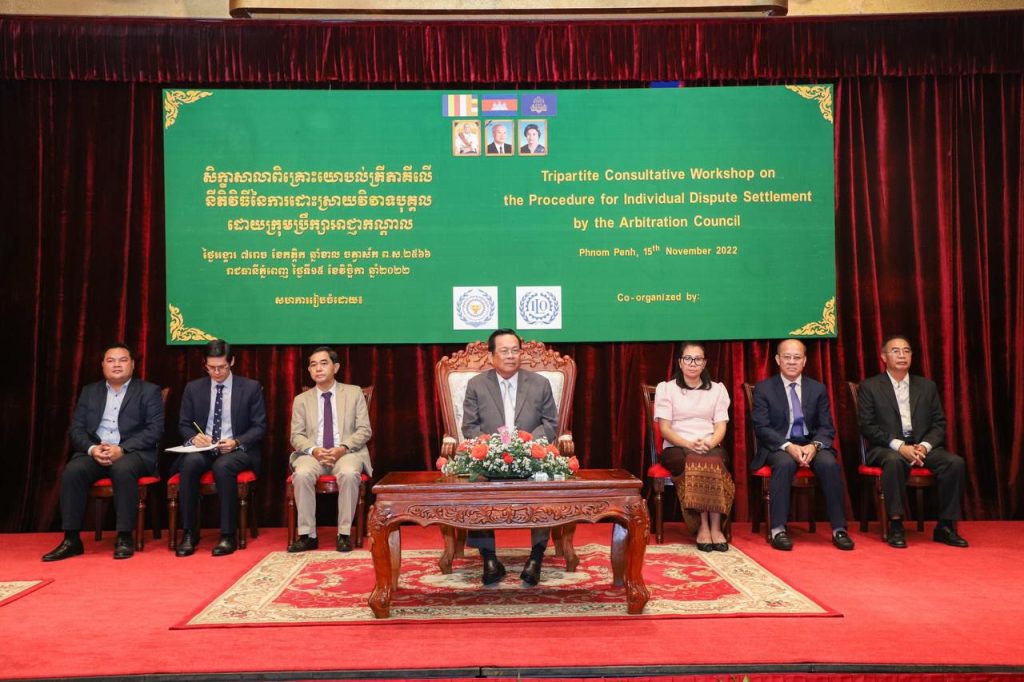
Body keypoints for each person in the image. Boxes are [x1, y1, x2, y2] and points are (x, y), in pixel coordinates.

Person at [42, 344, 165, 561]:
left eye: (123, 360)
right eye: (111, 360)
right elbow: (76, 429)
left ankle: (124, 536)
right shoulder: (89, 391)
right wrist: (92, 449)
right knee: (73, 470)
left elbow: (155, 430)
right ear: (102, 365)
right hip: (97, 451)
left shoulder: (149, 391)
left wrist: (122, 449)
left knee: (123, 467)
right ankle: (71, 540)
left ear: (133, 365)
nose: (117, 365)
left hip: (134, 453)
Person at [461, 328, 558, 586]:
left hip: (530, 456)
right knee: (476, 484)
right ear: (491, 356)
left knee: (543, 487)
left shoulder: (539, 384)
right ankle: (489, 558)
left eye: (515, 350)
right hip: (491, 458)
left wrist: (526, 444)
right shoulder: (476, 385)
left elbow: (550, 424)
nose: (511, 356)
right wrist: (494, 447)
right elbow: (469, 427)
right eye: (504, 351)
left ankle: (536, 557)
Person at [858, 334, 968, 548]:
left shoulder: (927, 386)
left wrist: (925, 446)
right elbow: (868, 427)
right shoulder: (870, 387)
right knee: (894, 461)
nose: (902, 355)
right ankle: (896, 524)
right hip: (886, 446)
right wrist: (900, 446)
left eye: (906, 351)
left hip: (922, 446)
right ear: (883, 357)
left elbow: (939, 423)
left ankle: (945, 526)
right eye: (895, 351)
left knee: (954, 463)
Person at [751, 339, 854, 551]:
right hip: (778, 446)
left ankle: (839, 529)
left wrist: (814, 446)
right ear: (777, 359)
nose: (792, 361)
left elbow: (827, 427)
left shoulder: (817, 389)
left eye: (797, 357)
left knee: (829, 464)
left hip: (810, 443)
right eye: (787, 357)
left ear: (804, 361)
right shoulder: (764, 389)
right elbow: (762, 427)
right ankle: (778, 530)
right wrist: (788, 446)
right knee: (784, 464)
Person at [173, 339, 267, 557]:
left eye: (221, 367)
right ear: (205, 364)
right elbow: (184, 424)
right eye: (211, 367)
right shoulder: (193, 388)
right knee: (189, 464)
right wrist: (195, 438)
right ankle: (189, 532)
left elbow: (259, 427)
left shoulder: (250, 388)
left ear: (232, 362)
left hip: (236, 450)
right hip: (204, 448)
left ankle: (227, 535)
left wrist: (236, 442)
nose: (216, 372)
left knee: (223, 467)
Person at [287, 346, 372, 553]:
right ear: (309, 370)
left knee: (350, 474)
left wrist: (342, 448)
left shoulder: (353, 393)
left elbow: (364, 430)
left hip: (347, 453)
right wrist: (314, 450)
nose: (318, 369)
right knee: (302, 474)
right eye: (313, 365)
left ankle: (344, 534)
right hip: (313, 454)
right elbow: (296, 436)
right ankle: (307, 535)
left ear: (336, 367)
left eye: (323, 363)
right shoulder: (301, 400)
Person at [653, 341, 734, 552]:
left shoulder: (717, 390)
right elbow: (665, 429)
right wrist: (689, 444)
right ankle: (703, 527)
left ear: (704, 363)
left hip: (709, 445)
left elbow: (721, 426)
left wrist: (710, 443)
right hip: (676, 447)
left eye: (698, 359)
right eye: (688, 359)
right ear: (680, 362)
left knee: (714, 459)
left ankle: (716, 527)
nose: (692, 363)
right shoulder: (666, 389)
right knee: (696, 461)